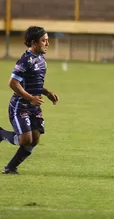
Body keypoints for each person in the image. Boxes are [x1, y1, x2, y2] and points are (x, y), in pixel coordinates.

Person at [0, 26, 59, 174]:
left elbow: (35, 82)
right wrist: (30, 98)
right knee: (25, 140)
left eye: (48, 40)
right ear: (34, 42)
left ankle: (10, 168)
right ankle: (1, 134)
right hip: (20, 106)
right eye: (44, 41)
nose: (47, 44)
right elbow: (12, 83)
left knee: (35, 139)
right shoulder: (26, 60)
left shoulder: (41, 59)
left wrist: (46, 93)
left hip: (34, 105)